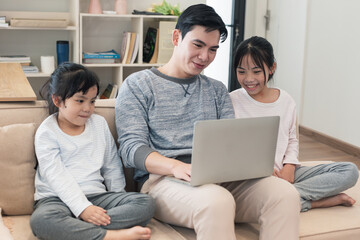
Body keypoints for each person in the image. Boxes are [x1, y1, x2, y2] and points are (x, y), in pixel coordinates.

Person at [115, 4, 300, 240]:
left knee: (284, 193)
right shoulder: (138, 85)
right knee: (217, 200)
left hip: (218, 179)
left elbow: (230, 142)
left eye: (213, 49)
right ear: (176, 37)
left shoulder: (217, 90)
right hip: (163, 182)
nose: (205, 57)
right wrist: (175, 166)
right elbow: (131, 149)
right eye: (198, 45)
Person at [230, 36, 359, 212]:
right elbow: (233, 147)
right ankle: (313, 202)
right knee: (247, 197)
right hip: (254, 179)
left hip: (286, 173)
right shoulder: (232, 101)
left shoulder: (286, 100)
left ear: (272, 68)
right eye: (241, 71)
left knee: (350, 171)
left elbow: (291, 139)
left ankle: (285, 198)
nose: (249, 78)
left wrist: (289, 166)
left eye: (256, 71)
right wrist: (264, 171)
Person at [30, 63, 155, 240]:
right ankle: (110, 236)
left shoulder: (99, 124)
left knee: (146, 203)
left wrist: (118, 196)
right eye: (80, 100)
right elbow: (57, 176)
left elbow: (111, 165)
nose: (88, 108)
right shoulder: (47, 131)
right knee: (41, 221)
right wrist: (82, 209)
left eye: (92, 101)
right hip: (56, 199)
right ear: (58, 100)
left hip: (97, 196)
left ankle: (74, 230)